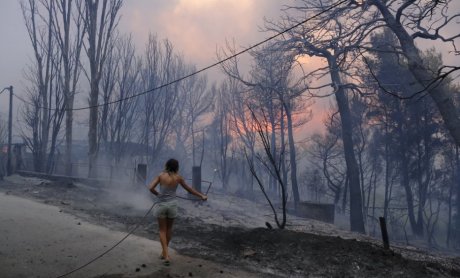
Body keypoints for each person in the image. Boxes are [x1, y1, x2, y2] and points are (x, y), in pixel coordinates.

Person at [148, 158, 207, 266]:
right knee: (169, 229)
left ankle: (165, 255)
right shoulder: (178, 178)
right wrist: (201, 195)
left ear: (167, 165)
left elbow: (151, 188)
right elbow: (189, 189)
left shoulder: (161, 175)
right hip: (172, 206)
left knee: (162, 230)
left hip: (161, 205)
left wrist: (158, 194)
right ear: (177, 167)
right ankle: (164, 253)